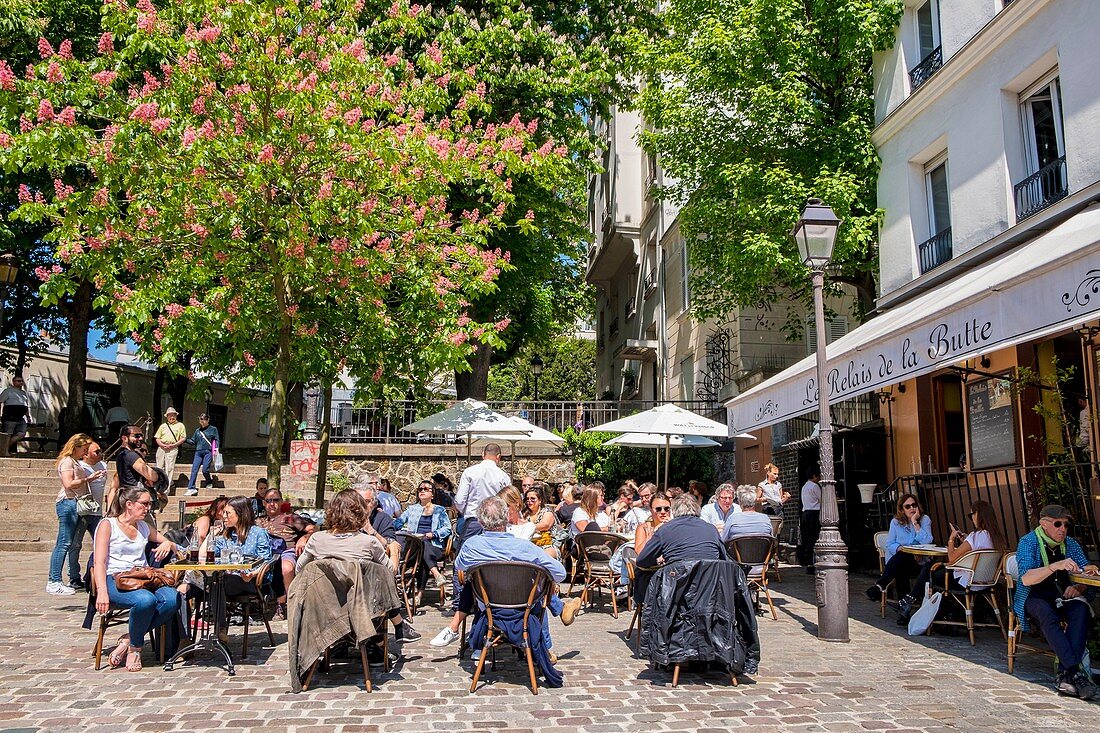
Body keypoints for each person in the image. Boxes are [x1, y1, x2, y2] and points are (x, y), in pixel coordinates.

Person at [429, 496, 580, 651]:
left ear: (480, 522)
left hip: (487, 606)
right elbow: (560, 573)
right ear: (506, 517)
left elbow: (460, 567)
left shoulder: (471, 546)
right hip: (522, 606)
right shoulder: (525, 547)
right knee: (538, 586)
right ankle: (546, 645)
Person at [295, 490, 421, 645]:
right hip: (362, 608)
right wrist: (394, 550)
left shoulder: (316, 539)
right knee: (379, 582)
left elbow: (299, 569)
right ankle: (384, 639)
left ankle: (351, 644)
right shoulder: (368, 542)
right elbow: (390, 572)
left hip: (325, 608)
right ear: (360, 513)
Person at [92, 485, 186, 672]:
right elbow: (99, 562)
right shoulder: (108, 525)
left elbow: (173, 544)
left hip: (143, 578)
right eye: (144, 504)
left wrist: (167, 543)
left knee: (172, 598)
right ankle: (135, 649)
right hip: (115, 578)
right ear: (129, 504)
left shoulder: (143, 527)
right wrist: (102, 591)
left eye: (149, 504)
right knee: (146, 600)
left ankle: (129, 638)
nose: (148, 508)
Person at [1013, 505, 1098, 699]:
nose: (1063, 529)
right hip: (1033, 595)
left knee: (1080, 610)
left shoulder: (1070, 544)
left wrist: (1079, 587)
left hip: (1062, 596)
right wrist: (1054, 566)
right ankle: (1076, 672)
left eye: (1066, 525)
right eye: (1057, 524)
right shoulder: (1029, 542)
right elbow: (1026, 578)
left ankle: (1066, 675)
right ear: (1043, 523)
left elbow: (1084, 571)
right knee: (1045, 612)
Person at [895, 500, 1007, 625]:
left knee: (929, 570)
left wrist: (951, 539)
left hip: (966, 582)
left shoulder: (975, 536)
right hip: (987, 582)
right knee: (931, 569)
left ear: (978, 515)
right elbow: (976, 553)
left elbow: (952, 558)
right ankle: (910, 602)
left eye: (972, 515)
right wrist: (965, 540)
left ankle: (913, 604)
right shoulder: (997, 537)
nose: (972, 519)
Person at [450, 443, 512, 611]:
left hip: (474, 520)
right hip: (496, 524)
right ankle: (490, 599)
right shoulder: (503, 476)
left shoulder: (470, 472)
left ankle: (460, 601)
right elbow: (506, 501)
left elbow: (460, 500)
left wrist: (464, 513)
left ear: (483, 454)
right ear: (498, 457)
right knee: (494, 560)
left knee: (462, 560)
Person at [47, 434, 105, 595]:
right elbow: (68, 483)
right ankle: (54, 580)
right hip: (68, 502)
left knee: (66, 542)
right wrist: (89, 479)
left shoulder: (73, 461)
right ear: (76, 447)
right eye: (84, 449)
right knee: (64, 543)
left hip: (74, 503)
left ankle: (57, 580)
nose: (84, 453)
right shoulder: (67, 461)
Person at [255, 487, 316, 620]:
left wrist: (303, 538)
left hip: (285, 551)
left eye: (276, 500)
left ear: (281, 502)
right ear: (264, 503)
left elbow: (313, 529)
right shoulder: (259, 521)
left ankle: (286, 604)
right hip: (263, 554)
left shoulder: (289, 518)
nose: (272, 503)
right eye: (269, 500)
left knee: (286, 568)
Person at [865, 493, 933, 603]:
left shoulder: (924, 520)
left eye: (914, 505)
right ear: (902, 509)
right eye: (907, 506)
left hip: (918, 563)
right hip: (898, 561)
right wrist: (900, 548)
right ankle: (904, 609)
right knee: (902, 560)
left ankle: (880, 586)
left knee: (902, 560)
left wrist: (915, 522)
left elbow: (927, 541)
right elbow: (890, 544)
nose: (912, 508)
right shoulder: (896, 522)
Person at [394, 479, 452, 591]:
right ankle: (435, 576)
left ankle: (419, 593)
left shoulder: (439, 510)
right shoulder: (412, 509)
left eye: (426, 489)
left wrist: (433, 534)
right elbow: (397, 523)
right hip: (414, 547)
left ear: (433, 494)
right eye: (420, 489)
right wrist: (405, 531)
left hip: (434, 546)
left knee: (424, 545)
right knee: (422, 545)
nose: (422, 491)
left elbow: (447, 528)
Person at [67, 441, 109, 591]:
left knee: (103, 544)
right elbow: (72, 484)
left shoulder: (103, 465)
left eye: (100, 450)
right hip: (82, 511)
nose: (100, 453)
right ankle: (74, 577)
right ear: (85, 454)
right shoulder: (80, 467)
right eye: (96, 452)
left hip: (97, 512)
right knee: (75, 544)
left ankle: (95, 575)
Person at [106, 425, 160, 513]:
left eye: (141, 435)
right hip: (135, 500)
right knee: (147, 526)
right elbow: (152, 476)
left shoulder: (122, 454)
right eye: (136, 436)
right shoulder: (130, 455)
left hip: (128, 498)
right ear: (124, 438)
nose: (141, 438)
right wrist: (159, 475)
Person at [353, 482, 401, 569]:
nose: (361, 505)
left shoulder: (383, 518)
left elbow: (390, 545)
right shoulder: (344, 518)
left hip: (373, 569)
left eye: (366, 501)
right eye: (357, 501)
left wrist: (372, 531)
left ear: (374, 504)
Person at [153, 407, 187, 493]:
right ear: (167, 417)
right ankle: (158, 487)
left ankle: (166, 490)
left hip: (172, 448)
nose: (172, 417)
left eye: (173, 415)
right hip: (161, 448)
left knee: (169, 468)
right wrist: (162, 445)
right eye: (170, 416)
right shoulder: (163, 426)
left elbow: (183, 438)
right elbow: (157, 438)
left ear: (176, 416)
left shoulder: (180, 425)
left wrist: (173, 445)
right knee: (159, 467)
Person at [184, 414, 219, 495]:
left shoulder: (213, 429)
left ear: (208, 420)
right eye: (200, 419)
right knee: (194, 470)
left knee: (205, 469)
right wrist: (184, 440)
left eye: (204, 419)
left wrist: (216, 449)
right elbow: (193, 441)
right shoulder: (197, 431)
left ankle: (209, 481)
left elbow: (216, 440)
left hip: (208, 451)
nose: (202, 421)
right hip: (198, 452)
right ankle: (191, 488)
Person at [523, 484, 561, 558]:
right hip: (528, 545)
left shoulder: (547, 511)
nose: (529, 501)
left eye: (532, 499)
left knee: (543, 556)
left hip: (547, 545)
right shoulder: (525, 514)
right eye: (527, 499)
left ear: (540, 500)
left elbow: (545, 525)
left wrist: (526, 527)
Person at [0, 374, 32, 457]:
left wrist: (28, 416)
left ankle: (3, 448)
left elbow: (25, 405)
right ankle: (5, 452)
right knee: (8, 434)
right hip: (10, 416)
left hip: (20, 418)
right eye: (18, 381)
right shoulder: (8, 391)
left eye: (21, 381)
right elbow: (0, 402)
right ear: (14, 382)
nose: (21, 382)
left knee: (22, 433)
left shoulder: (23, 393)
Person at [798, 468, 822, 574]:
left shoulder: (804, 486)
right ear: (814, 476)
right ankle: (815, 562)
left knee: (808, 538)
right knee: (815, 537)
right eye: (818, 476)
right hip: (814, 513)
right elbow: (822, 499)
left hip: (806, 513)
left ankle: (809, 563)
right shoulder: (814, 486)